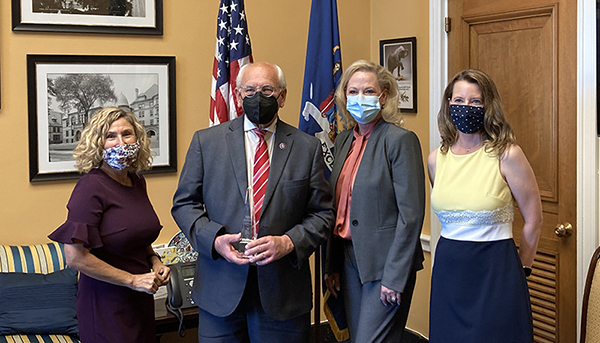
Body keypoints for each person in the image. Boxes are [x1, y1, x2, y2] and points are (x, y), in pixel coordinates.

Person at [171, 61, 334, 343]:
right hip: (220, 292)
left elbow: (322, 214)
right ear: (237, 95)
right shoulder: (206, 142)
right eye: (250, 90)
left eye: (267, 90)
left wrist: (290, 242)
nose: (258, 97)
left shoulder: (307, 148)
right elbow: (184, 204)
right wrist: (215, 239)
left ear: (282, 96)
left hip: (282, 295)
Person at [428, 69, 543, 342]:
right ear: (448, 104)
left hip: (496, 272)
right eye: (458, 100)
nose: (465, 108)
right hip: (448, 272)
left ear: (488, 106)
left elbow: (534, 219)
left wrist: (522, 268)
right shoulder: (435, 159)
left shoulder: (507, 155)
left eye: (475, 102)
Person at [324, 60, 426, 343]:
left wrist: (395, 276)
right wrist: (331, 264)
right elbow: (338, 208)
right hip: (347, 258)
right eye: (353, 91)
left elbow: (411, 215)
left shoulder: (400, 141)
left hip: (385, 263)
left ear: (384, 96)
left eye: (369, 91)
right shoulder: (344, 140)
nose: (360, 98)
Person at [49, 107, 170, 343]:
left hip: (140, 301)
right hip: (105, 304)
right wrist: (132, 280)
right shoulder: (90, 186)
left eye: (127, 134)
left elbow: (135, 237)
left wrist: (154, 261)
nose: (120, 142)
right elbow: (75, 257)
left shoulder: (137, 181)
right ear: (98, 143)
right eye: (110, 136)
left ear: (138, 138)